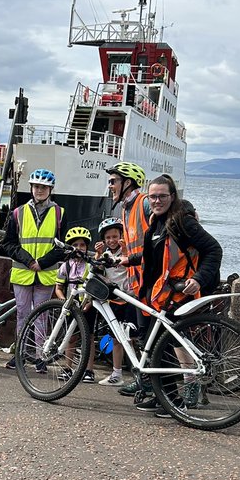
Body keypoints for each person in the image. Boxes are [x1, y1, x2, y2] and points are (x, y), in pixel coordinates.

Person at [124, 174, 223, 416]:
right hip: (154, 295)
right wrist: (128, 259)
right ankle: (164, 397)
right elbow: (152, 257)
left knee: (165, 346)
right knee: (157, 347)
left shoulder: (182, 223)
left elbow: (213, 249)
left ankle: (175, 399)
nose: (157, 201)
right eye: (153, 196)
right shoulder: (155, 222)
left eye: (162, 196)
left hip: (175, 294)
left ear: (172, 196)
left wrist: (198, 279)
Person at [3, 168, 65, 369]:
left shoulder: (59, 213)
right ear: (31, 188)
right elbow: (9, 243)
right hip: (23, 271)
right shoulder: (18, 213)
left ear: (50, 189)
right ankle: (20, 354)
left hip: (45, 274)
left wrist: (43, 262)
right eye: (37, 186)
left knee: (42, 316)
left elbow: (62, 245)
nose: (39, 190)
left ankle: (40, 356)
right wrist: (30, 261)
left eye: (44, 187)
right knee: (22, 315)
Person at [104, 161, 150, 396]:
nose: (110, 185)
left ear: (127, 183)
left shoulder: (144, 204)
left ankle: (187, 386)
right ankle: (146, 383)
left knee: (153, 336)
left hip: (152, 281)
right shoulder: (125, 209)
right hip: (137, 284)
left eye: (113, 181)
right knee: (143, 336)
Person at [55, 226, 97, 383]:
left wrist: (89, 302)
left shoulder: (90, 266)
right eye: (75, 245)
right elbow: (58, 288)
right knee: (70, 337)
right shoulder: (65, 266)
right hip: (71, 307)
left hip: (88, 306)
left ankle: (89, 370)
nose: (79, 248)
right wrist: (64, 302)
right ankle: (68, 367)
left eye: (82, 245)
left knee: (89, 338)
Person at [93, 217, 131, 386]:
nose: (112, 240)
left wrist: (124, 250)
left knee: (132, 338)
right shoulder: (106, 254)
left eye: (115, 236)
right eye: (108, 238)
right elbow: (96, 271)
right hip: (114, 301)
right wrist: (99, 254)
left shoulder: (128, 252)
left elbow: (131, 265)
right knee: (116, 338)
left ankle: (138, 372)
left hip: (129, 298)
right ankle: (117, 373)